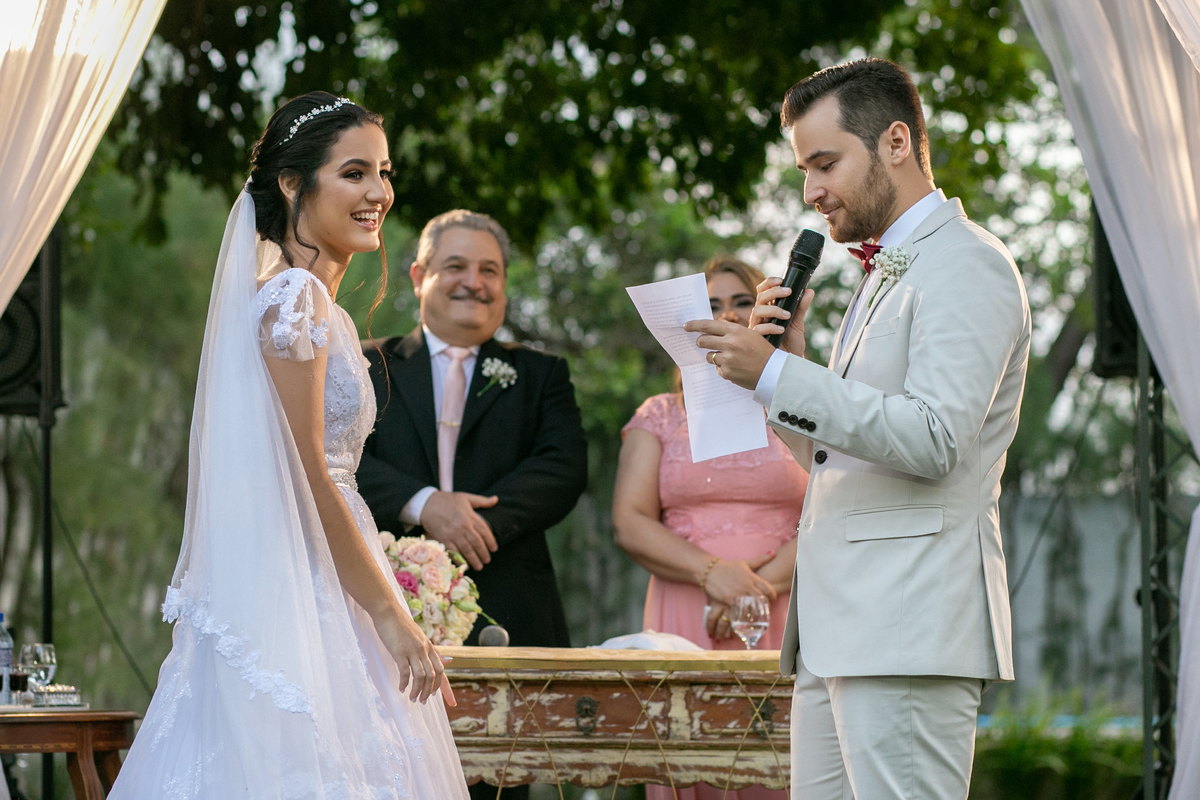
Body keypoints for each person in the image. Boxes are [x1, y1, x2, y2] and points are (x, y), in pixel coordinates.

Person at [685, 59, 1031, 800]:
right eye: (804, 168)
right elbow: (841, 453)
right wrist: (792, 359)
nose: (811, 192)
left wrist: (778, 377)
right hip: (835, 635)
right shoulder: (885, 273)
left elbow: (935, 439)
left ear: (897, 142)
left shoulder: (969, 264)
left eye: (824, 163)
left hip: (907, 628)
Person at [110, 92, 469, 798]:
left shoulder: (311, 303)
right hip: (305, 587)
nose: (380, 193)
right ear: (291, 183)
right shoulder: (295, 297)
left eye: (385, 173)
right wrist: (392, 618)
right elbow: (310, 477)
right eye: (355, 173)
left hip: (327, 573)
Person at [355, 209, 588, 800]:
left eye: (490, 270)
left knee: (502, 785)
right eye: (455, 266)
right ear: (418, 275)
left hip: (508, 609)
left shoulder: (541, 374)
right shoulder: (366, 364)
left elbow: (562, 468)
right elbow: (339, 459)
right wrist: (424, 503)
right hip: (383, 615)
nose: (474, 282)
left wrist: (474, 521)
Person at [613, 256, 807, 800]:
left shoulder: (799, 404)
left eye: (741, 303)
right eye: (710, 307)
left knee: (784, 764)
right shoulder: (660, 414)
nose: (726, 316)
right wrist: (714, 574)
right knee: (689, 763)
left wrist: (753, 587)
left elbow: (831, 502)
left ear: (767, 311)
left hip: (787, 610)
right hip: (686, 612)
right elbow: (629, 522)